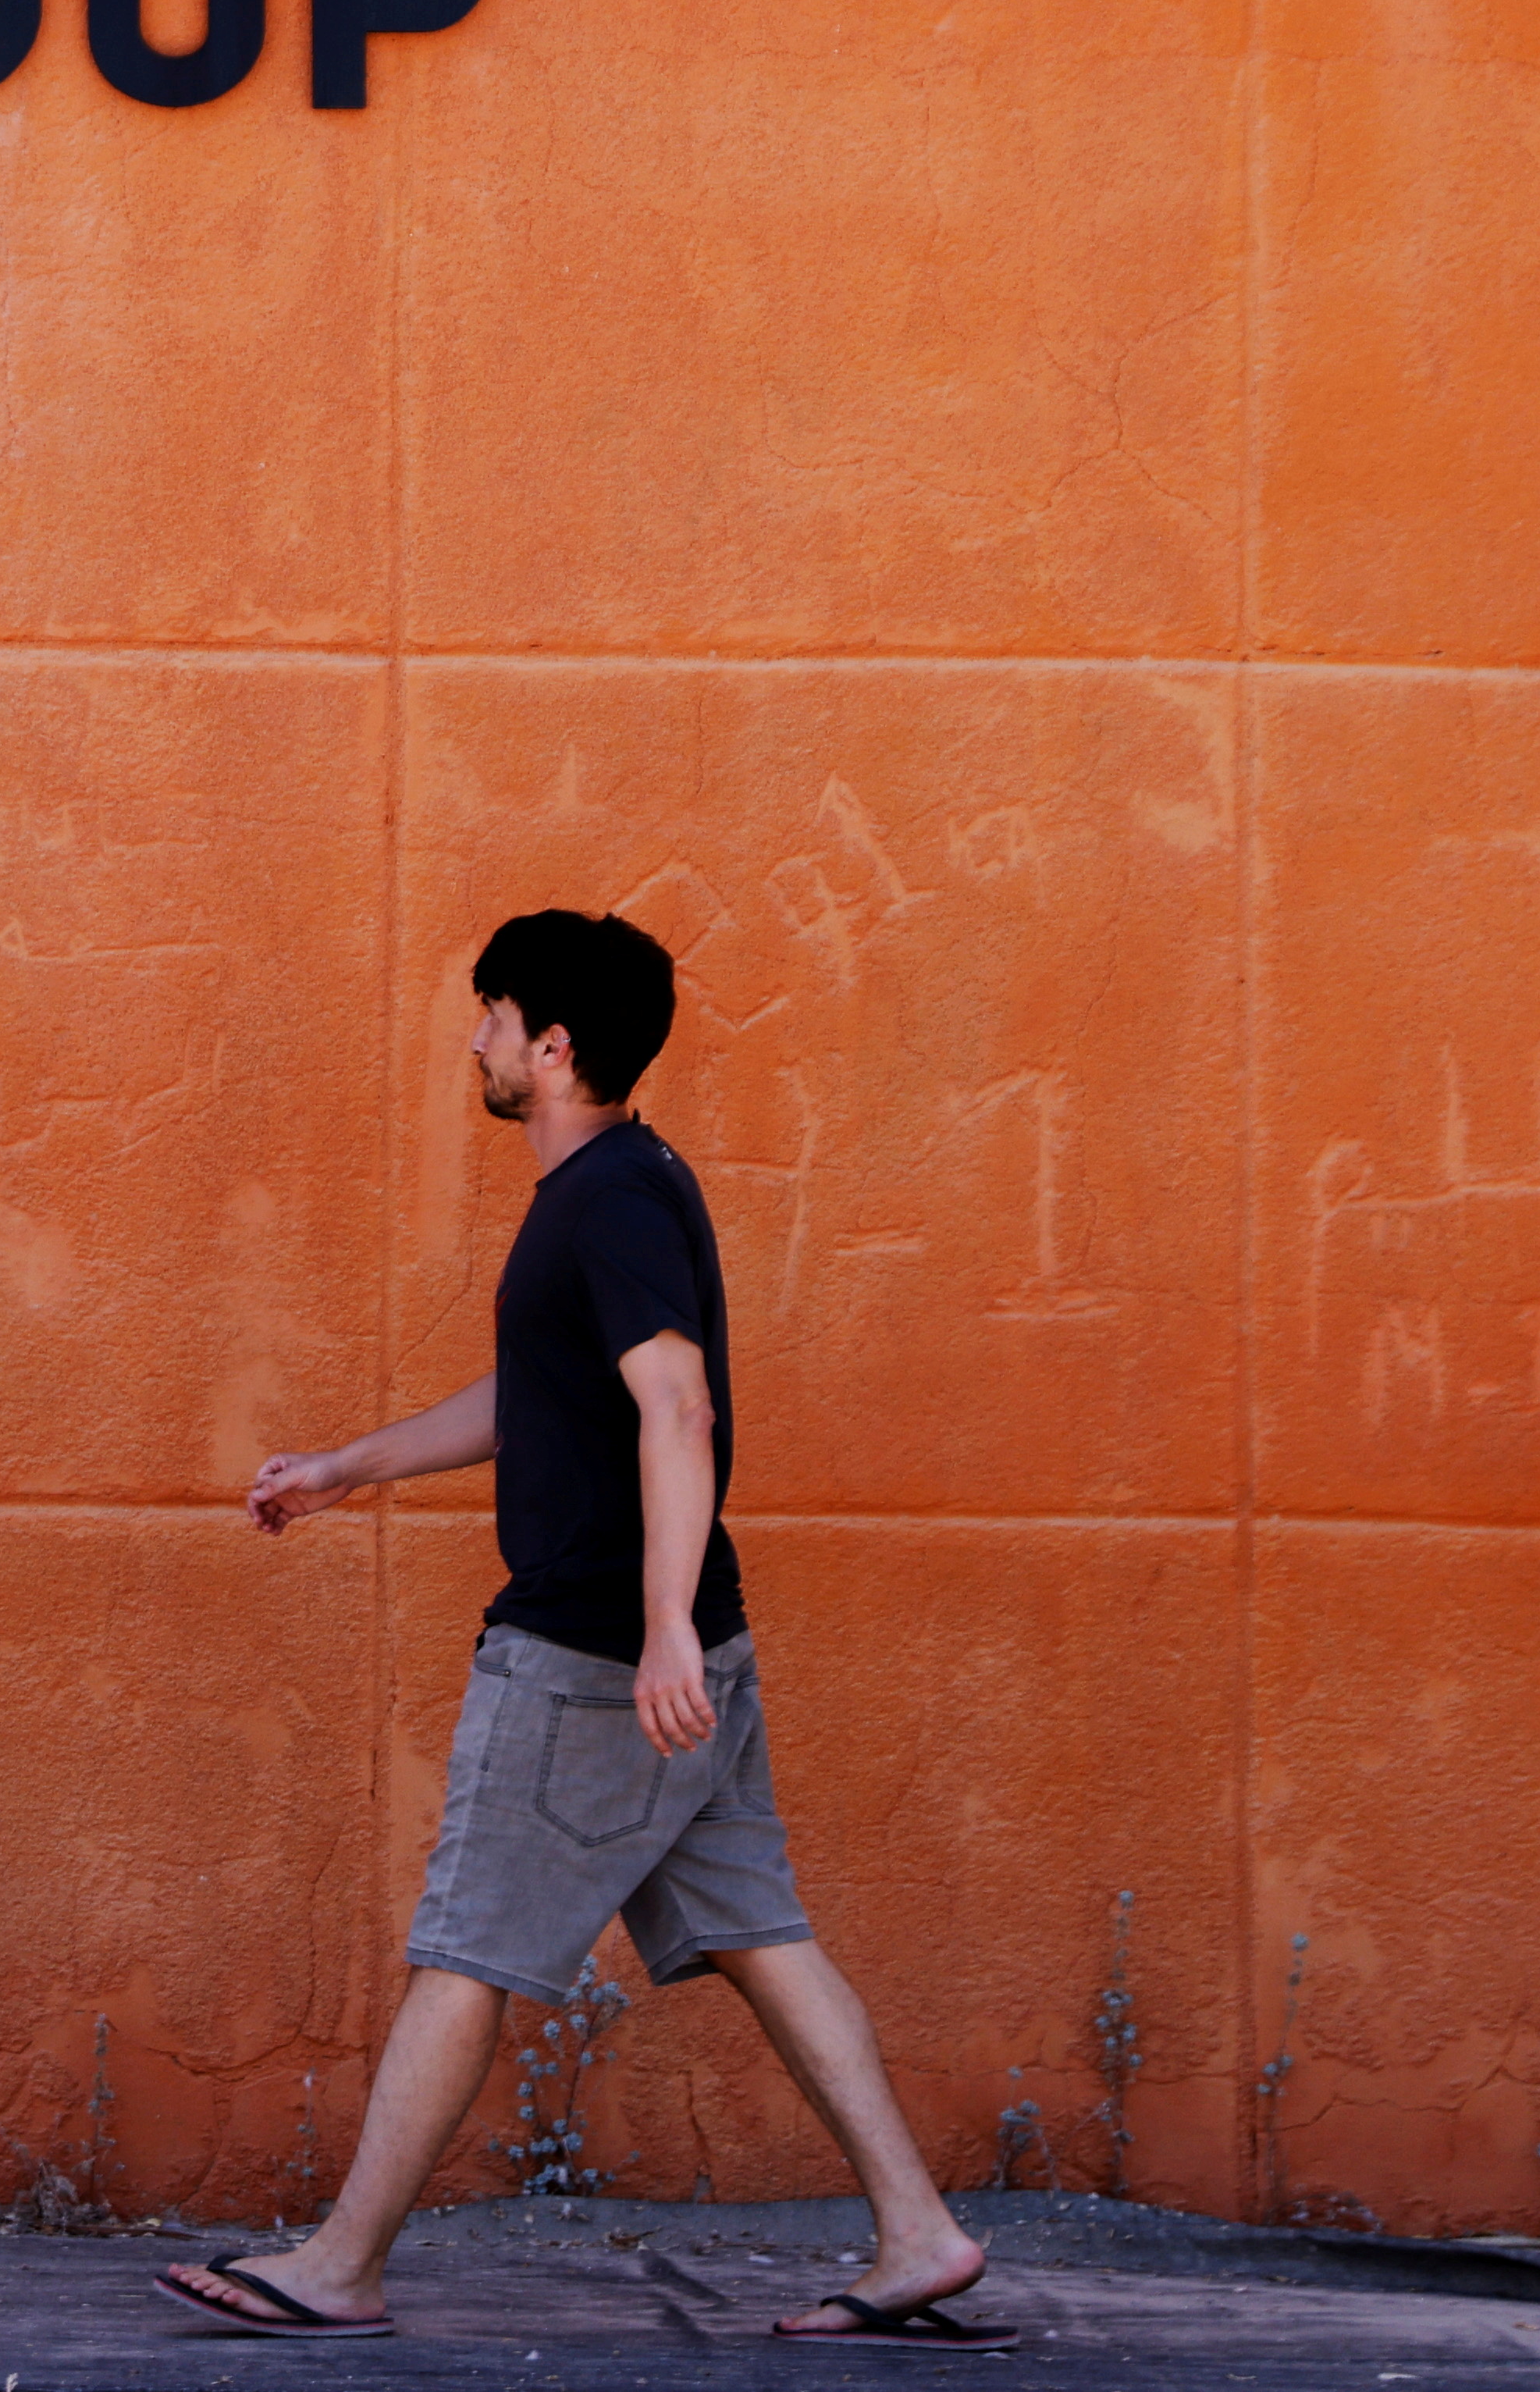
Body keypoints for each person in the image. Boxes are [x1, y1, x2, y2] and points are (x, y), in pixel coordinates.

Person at [155, 909, 1000, 2351]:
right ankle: (919, 2230)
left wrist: (659, 1627)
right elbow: (539, 1402)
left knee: (468, 1946)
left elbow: (679, 1406)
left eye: (490, 1016)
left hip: (597, 1660)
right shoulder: (624, 1186)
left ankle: (341, 2261)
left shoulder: (603, 1199)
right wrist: (342, 1471)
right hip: (676, 1649)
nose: (472, 1039)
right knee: (759, 1930)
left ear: (550, 1045)